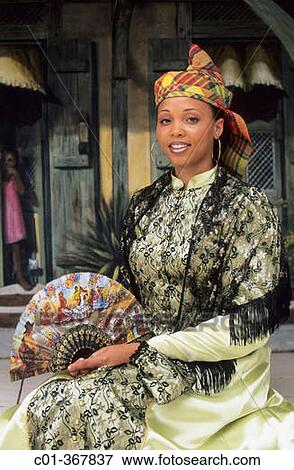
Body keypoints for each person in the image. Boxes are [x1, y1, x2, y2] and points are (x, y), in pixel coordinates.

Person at [0, 44, 294, 450]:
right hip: (138, 351)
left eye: (191, 120)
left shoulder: (246, 205)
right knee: (52, 399)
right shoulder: (144, 203)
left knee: (96, 408)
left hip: (217, 365)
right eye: (166, 120)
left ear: (218, 127)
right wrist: (105, 344)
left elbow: (247, 328)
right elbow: (130, 302)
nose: (176, 131)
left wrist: (141, 349)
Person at [1, 148, 32, 291]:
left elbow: (21, 190)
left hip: (13, 213)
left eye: (11, 160)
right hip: (3, 212)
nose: (8, 163)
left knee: (16, 245)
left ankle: (19, 275)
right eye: (6, 160)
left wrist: (16, 175)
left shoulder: (14, 175)